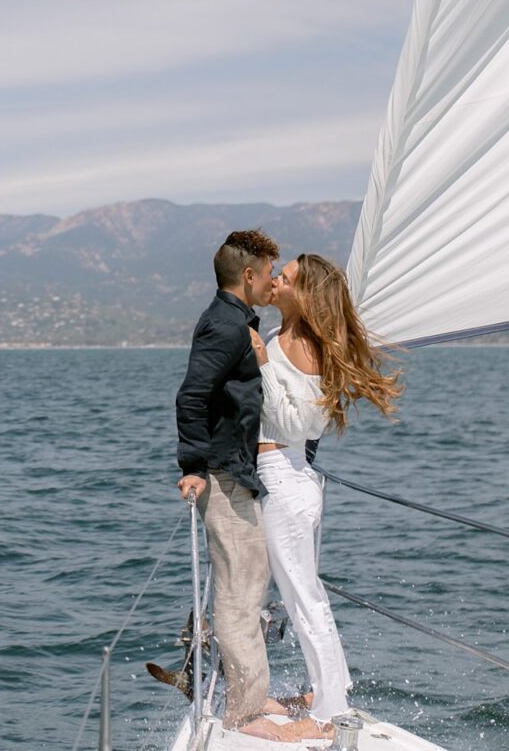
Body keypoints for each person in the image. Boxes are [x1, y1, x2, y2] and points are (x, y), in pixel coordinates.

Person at [248, 253, 402, 742]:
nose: (276, 281)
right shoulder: (284, 337)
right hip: (283, 479)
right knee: (303, 597)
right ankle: (329, 690)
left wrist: (261, 363)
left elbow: (300, 426)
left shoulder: (303, 347)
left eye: (285, 278)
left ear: (305, 294)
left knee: (305, 600)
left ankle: (332, 709)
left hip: (285, 480)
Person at [174, 229, 292, 739]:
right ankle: (245, 715)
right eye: (270, 273)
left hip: (234, 470)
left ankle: (251, 696)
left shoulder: (236, 322)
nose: (273, 282)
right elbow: (191, 396)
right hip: (222, 475)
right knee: (241, 593)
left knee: (248, 583)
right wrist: (194, 466)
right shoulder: (224, 327)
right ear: (249, 275)